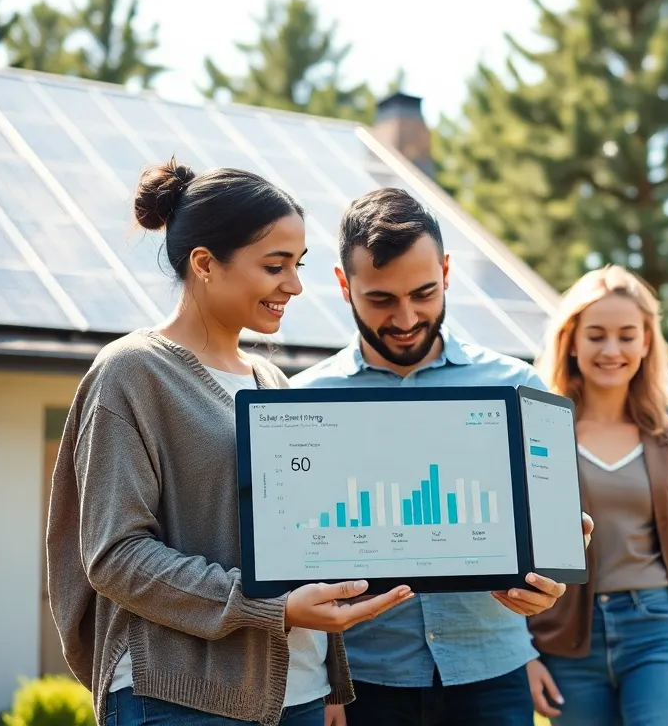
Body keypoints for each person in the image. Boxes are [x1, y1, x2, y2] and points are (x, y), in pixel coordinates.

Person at [46, 160, 414, 726]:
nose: (293, 285)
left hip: (299, 691)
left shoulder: (273, 383)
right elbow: (115, 556)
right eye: (275, 265)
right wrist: (273, 607)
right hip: (182, 698)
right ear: (204, 264)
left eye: (298, 265)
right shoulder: (132, 374)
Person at [289, 187, 592, 726]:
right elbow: (295, 557)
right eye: (381, 299)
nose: (406, 318)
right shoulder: (303, 401)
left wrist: (552, 573)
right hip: (363, 681)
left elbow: (551, 539)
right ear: (344, 285)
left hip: (491, 671)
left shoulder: (517, 385)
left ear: (447, 272)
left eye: (424, 293)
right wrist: (326, 680)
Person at [524, 265, 668, 726]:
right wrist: (523, 653)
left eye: (627, 335)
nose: (611, 350)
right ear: (572, 342)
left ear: (646, 342)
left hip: (657, 628)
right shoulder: (536, 433)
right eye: (596, 335)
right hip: (566, 636)